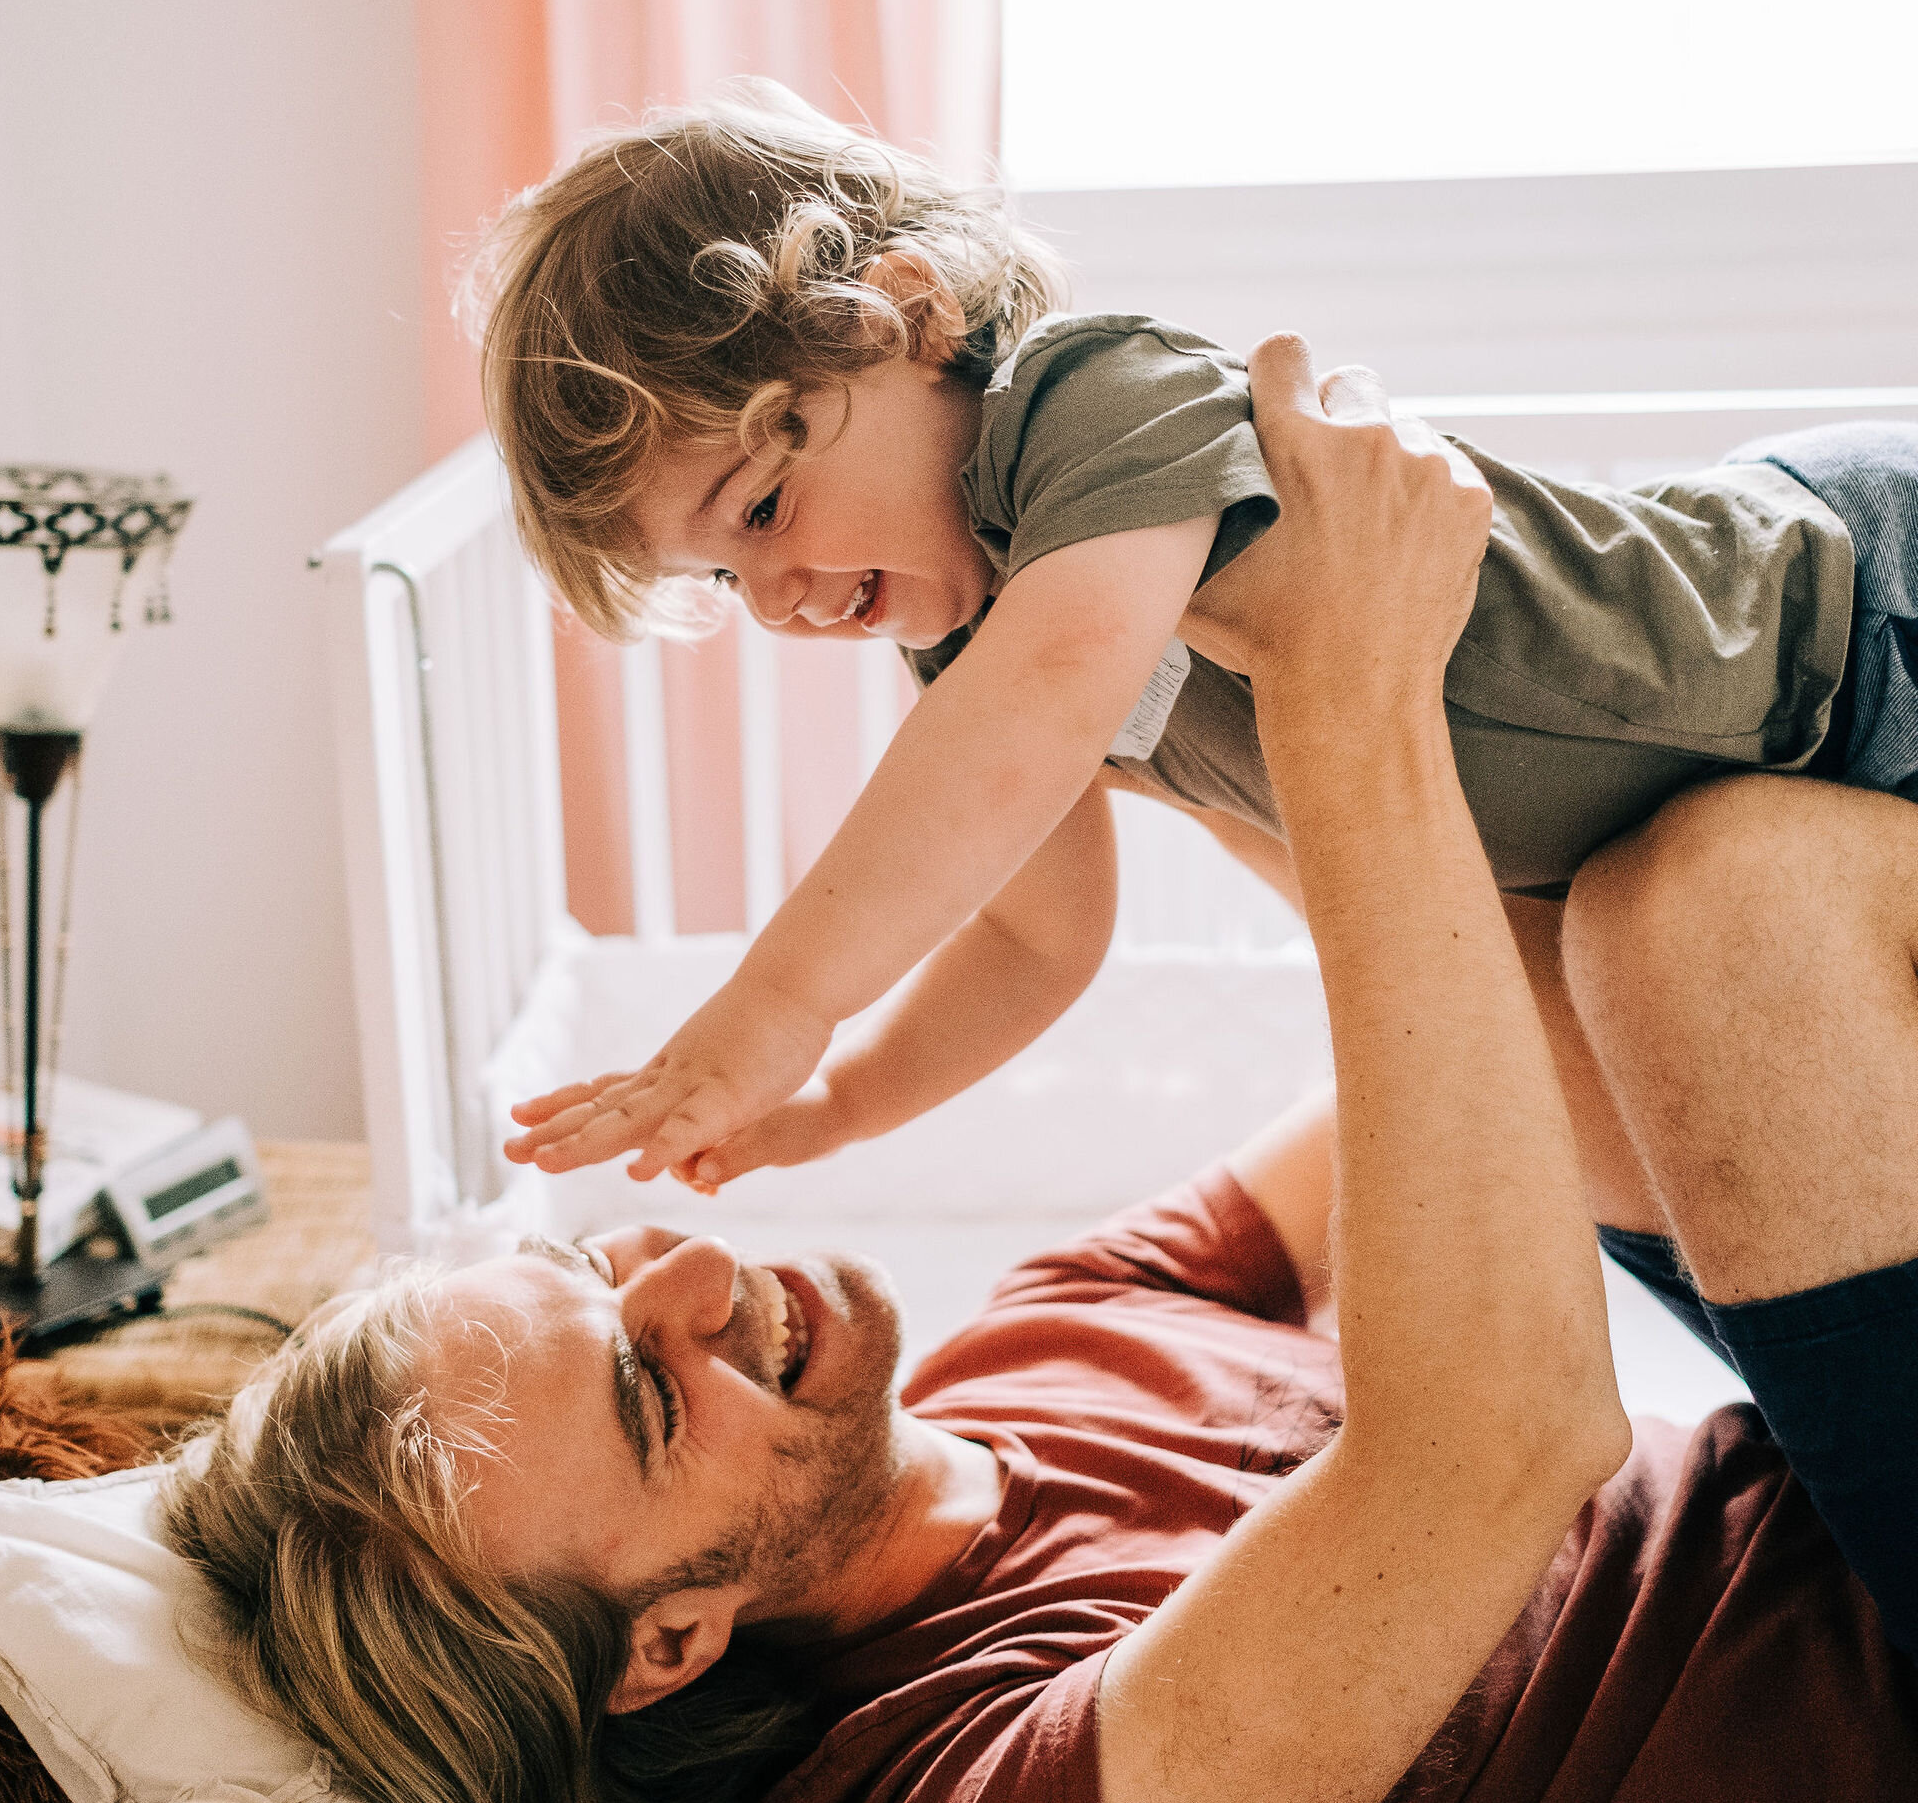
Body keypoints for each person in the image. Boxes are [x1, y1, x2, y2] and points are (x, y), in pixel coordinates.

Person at [165, 344, 1918, 1803]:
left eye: (590, 1267)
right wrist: (1348, 710)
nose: (683, 1270)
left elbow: (1466, 1068)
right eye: (640, 1390)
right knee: (1726, 918)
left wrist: (1188, 701)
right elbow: (1504, 1441)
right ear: (670, 1642)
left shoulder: (1034, 1348)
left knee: (1678, 906)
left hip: (1852, 1489)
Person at [471, 82, 1917, 1198]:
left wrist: (772, 1007)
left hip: (1846, 618)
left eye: (768, 506)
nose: (780, 599)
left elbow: (1047, 693)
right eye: (728, 580)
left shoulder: (1087, 404)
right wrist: (841, 1100)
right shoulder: (972, 649)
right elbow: (1037, 938)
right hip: (1748, 799)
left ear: (910, 317)